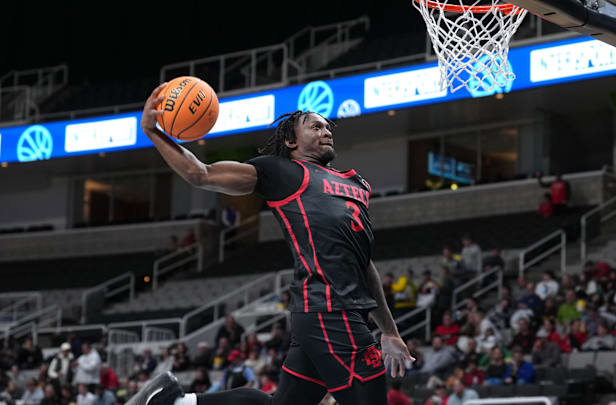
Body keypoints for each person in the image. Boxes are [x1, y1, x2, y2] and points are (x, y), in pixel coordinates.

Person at [129, 97, 413, 405]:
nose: (327, 131)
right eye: (315, 126)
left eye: (328, 126)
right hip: (328, 311)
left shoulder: (357, 185)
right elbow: (200, 173)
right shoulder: (279, 172)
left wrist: (389, 331)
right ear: (291, 140)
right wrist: (154, 132)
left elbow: (364, 263)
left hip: (340, 313)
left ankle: (175, 402)